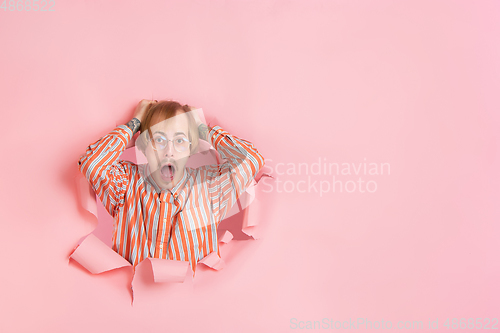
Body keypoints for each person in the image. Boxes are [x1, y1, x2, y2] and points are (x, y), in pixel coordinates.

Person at [78, 99, 265, 273]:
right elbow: (92, 162)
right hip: (130, 304)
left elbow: (251, 159)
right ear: (144, 146)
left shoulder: (208, 188)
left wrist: (202, 129)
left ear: (191, 148)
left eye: (180, 141)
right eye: (159, 140)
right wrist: (134, 123)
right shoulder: (126, 183)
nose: (169, 151)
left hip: (190, 304)